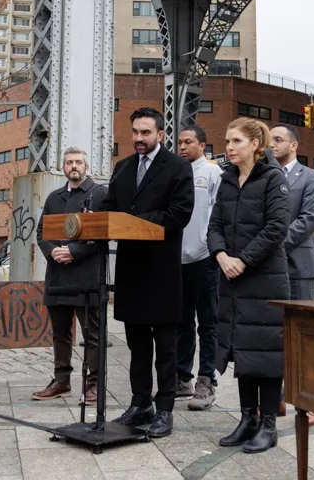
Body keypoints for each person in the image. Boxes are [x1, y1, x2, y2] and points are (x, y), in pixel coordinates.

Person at [104, 107, 194, 439]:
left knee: (166, 346)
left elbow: (180, 214)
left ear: (160, 134)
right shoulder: (123, 167)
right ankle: (140, 403)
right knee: (137, 345)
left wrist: (136, 224)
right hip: (131, 270)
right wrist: (94, 217)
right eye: (135, 132)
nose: (139, 138)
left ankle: (165, 408)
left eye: (145, 132)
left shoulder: (178, 167)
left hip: (161, 269)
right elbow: (111, 206)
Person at [208, 118, 290, 454]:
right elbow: (214, 225)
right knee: (241, 348)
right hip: (232, 279)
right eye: (227, 141)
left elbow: (276, 228)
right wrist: (221, 255)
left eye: (236, 141)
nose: (229, 147)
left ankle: (268, 425)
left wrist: (242, 260)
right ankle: (247, 420)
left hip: (264, 278)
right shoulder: (227, 180)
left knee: (266, 352)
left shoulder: (273, 178)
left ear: (255, 144)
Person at [33, 147, 107, 404]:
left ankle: (94, 385)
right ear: (63, 167)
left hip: (87, 276)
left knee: (93, 335)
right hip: (58, 275)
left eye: (78, 162)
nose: (73, 166)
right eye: (69, 162)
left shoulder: (100, 194)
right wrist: (52, 251)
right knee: (60, 333)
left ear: (86, 166)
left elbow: (104, 233)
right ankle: (61, 380)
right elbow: (41, 231)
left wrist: (73, 251)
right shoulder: (54, 197)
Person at [269, 123, 314, 424]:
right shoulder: (265, 176)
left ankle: (307, 401)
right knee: (274, 334)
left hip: (299, 266)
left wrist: (272, 244)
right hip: (269, 270)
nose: (272, 144)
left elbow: (309, 219)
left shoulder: (311, 178)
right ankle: (276, 397)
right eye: (270, 140)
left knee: (302, 336)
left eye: (278, 139)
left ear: (294, 145)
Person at [175, 126, 223, 411]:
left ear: (202, 145)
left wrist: (210, 246)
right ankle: (183, 378)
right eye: (180, 142)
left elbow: (218, 213)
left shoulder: (213, 173)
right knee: (182, 322)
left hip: (204, 259)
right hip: (177, 259)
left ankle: (207, 380)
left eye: (188, 142)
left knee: (207, 323)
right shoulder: (175, 173)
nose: (182, 147)